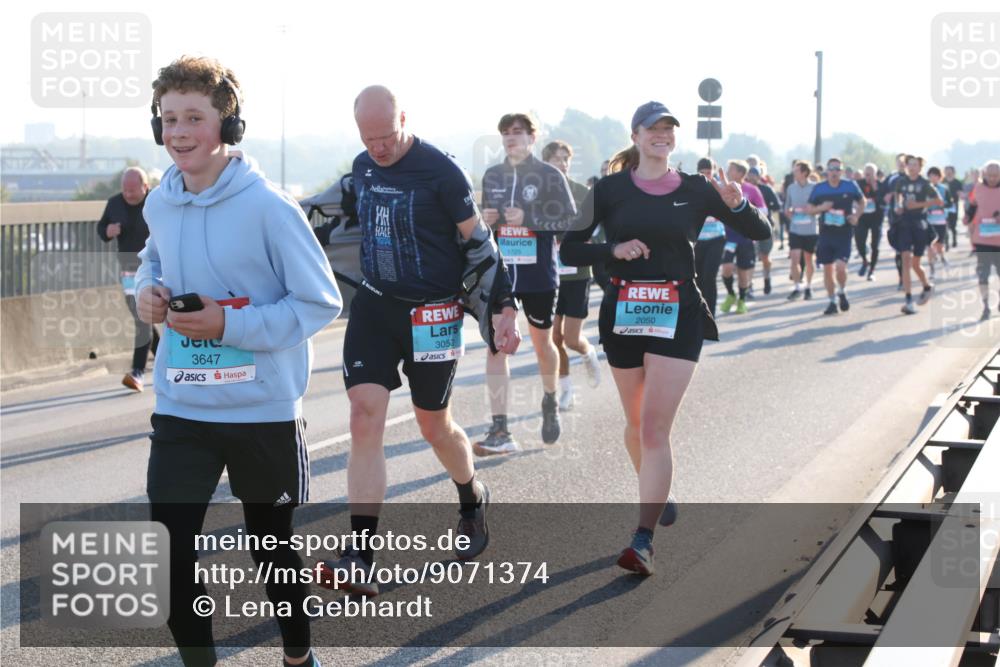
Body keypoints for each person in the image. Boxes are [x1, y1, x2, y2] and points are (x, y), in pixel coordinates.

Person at [135, 56, 341, 667]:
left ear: (229, 124)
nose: (178, 131)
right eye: (168, 118)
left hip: (262, 412)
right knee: (168, 556)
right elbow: (152, 263)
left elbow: (319, 302)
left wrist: (229, 324)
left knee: (271, 551)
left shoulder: (270, 208)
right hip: (182, 406)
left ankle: (299, 658)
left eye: (194, 117)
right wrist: (145, 294)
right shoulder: (159, 204)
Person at [318, 86, 521, 590]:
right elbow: (328, 212)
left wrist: (503, 307)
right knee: (365, 417)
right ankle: (359, 556)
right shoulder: (363, 165)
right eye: (369, 139)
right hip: (375, 308)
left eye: (386, 136)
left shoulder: (441, 171)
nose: (379, 148)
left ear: (404, 119)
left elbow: (480, 242)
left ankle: (471, 495)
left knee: (435, 426)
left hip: (432, 315)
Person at [560, 101, 770, 575]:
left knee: (654, 428)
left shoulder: (697, 189)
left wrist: (737, 203)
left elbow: (758, 231)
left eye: (668, 128)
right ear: (635, 136)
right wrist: (612, 248)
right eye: (653, 128)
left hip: (678, 315)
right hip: (624, 313)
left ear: (675, 137)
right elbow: (571, 246)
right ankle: (659, 491)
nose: (662, 135)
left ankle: (643, 539)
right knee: (635, 427)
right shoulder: (608, 189)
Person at [476, 113, 577, 454]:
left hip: (537, 275)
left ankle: (549, 400)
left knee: (541, 344)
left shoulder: (548, 175)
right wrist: (486, 220)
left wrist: (531, 220)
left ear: (533, 138)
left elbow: (569, 222)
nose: (510, 137)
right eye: (505, 132)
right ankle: (500, 428)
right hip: (501, 274)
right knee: (496, 345)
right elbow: (480, 227)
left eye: (517, 132)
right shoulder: (492, 176)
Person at [543, 140, 602, 411]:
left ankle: (588, 352)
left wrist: (588, 242)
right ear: (546, 162)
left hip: (577, 274)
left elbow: (600, 226)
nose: (562, 163)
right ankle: (566, 390)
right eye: (557, 158)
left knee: (570, 339)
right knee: (553, 337)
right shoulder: (538, 193)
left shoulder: (582, 192)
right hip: (549, 274)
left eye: (566, 159)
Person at [98, 166, 159, 391]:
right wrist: (108, 231)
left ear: (145, 187)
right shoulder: (114, 203)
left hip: (157, 270)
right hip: (129, 272)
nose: (128, 194)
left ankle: (137, 372)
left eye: (133, 190)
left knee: (144, 321)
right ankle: (167, 360)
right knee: (142, 319)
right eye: (125, 189)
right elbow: (101, 228)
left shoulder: (157, 201)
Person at [807, 157, 866, 315]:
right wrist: (822, 207)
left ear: (841, 171)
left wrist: (857, 216)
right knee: (827, 269)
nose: (834, 172)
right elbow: (809, 209)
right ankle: (832, 301)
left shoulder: (849, 186)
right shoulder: (820, 188)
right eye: (831, 169)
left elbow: (862, 202)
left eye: (837, 169)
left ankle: (842, 290)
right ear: (827, 171)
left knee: (840, 267)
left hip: (844, 233)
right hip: (826, 233)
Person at [891, 155, 943, 314]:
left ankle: (926, 285)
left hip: (919, 224)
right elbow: (897, 196)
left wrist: (918, 205)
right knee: (905, 259)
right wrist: (898, 206)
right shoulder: (901, 182)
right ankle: (908, 300)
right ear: (906, 166)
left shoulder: (925, 184)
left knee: (915, 264)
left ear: (920, 168)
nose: (912, 167)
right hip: (904, 224)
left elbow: (939, 201)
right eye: (910, 164)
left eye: (915, 165)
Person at [719, 160, 765, 313]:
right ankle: (731, 294)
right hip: (729, 238)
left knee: (743, 273)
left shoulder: (751, 190)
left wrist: (748, 212)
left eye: (730, 169)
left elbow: (763, 211)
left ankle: (742, 300)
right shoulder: (724, 188)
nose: (727, 171)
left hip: (746, 238)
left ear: (740, 173)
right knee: (726, 268)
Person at [963, 160, 1000, 320]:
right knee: (983, 275)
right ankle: (985, 306)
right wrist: (967, 217)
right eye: (990, 175)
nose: (992, 178)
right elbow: (972, 205)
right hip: (982, 239)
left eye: (996, 175)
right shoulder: (978, 188)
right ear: (984, 174)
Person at [693, 157, 727, 315]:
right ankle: (701, 311)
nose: (706, 175)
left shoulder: (720, 188)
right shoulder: (692, 188)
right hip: (698, 241)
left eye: (709, 172)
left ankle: (711, 313)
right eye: (703, 172)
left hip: (716, 239)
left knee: (709, 277)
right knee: (698, 278)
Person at [784, 161, 818, 300]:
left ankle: (808, 286)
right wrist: (789, 212)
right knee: (794, 258)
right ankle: (798, 286)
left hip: (810, 229)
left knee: (809, 260)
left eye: (796, 171)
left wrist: (811, 210)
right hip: (795, 228)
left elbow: (820, 208)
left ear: (804, 172)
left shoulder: (815, 187)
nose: (794, 173)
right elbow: (786, 207)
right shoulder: (791, 188)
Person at [747, 166, 780, 294]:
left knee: (764, 256)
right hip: (749, 228)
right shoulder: (744, 189)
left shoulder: (766, 189)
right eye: (750, 174)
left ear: (760, 176)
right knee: (751, 258)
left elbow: (776, 206)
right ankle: (750, 286)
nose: (752, 176)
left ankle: (767, 279)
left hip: (766, 227)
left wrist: (766, 208)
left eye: (755, 174)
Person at [853, 163, 884, 281]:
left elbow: (883, 201)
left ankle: (871, 271)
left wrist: (876, 189)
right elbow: (853, 198)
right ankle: (865, 261)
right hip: (862, 217)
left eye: (870, 174)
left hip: (876, 218)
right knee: (859, 242)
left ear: (875, 175)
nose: (868, 176)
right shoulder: (858, 185)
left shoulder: (880, 185)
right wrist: (857, 205)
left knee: (875, 245)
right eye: (866, 174)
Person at [926, 166, 954, 276]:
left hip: (941, 220)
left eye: (935, 176)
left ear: (939, 177)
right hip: (929, 220)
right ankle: (932, 268)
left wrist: (943, 205)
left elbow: (951, 203)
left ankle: (942, 257)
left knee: (939, 245)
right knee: (929, 246)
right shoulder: (925, 188)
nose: (933, 178)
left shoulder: (944, 188)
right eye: (931, 176)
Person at [944, 165, 964, 249]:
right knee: (945, 224)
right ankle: (946, 243)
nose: (948, 173)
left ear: (953, 172)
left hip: (954, 206)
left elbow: (960, 193)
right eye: (946, 171)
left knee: (953, 225)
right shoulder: (942, 181)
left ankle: (954, 240)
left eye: (950, 171)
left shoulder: (957, 182)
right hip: (943, 206)